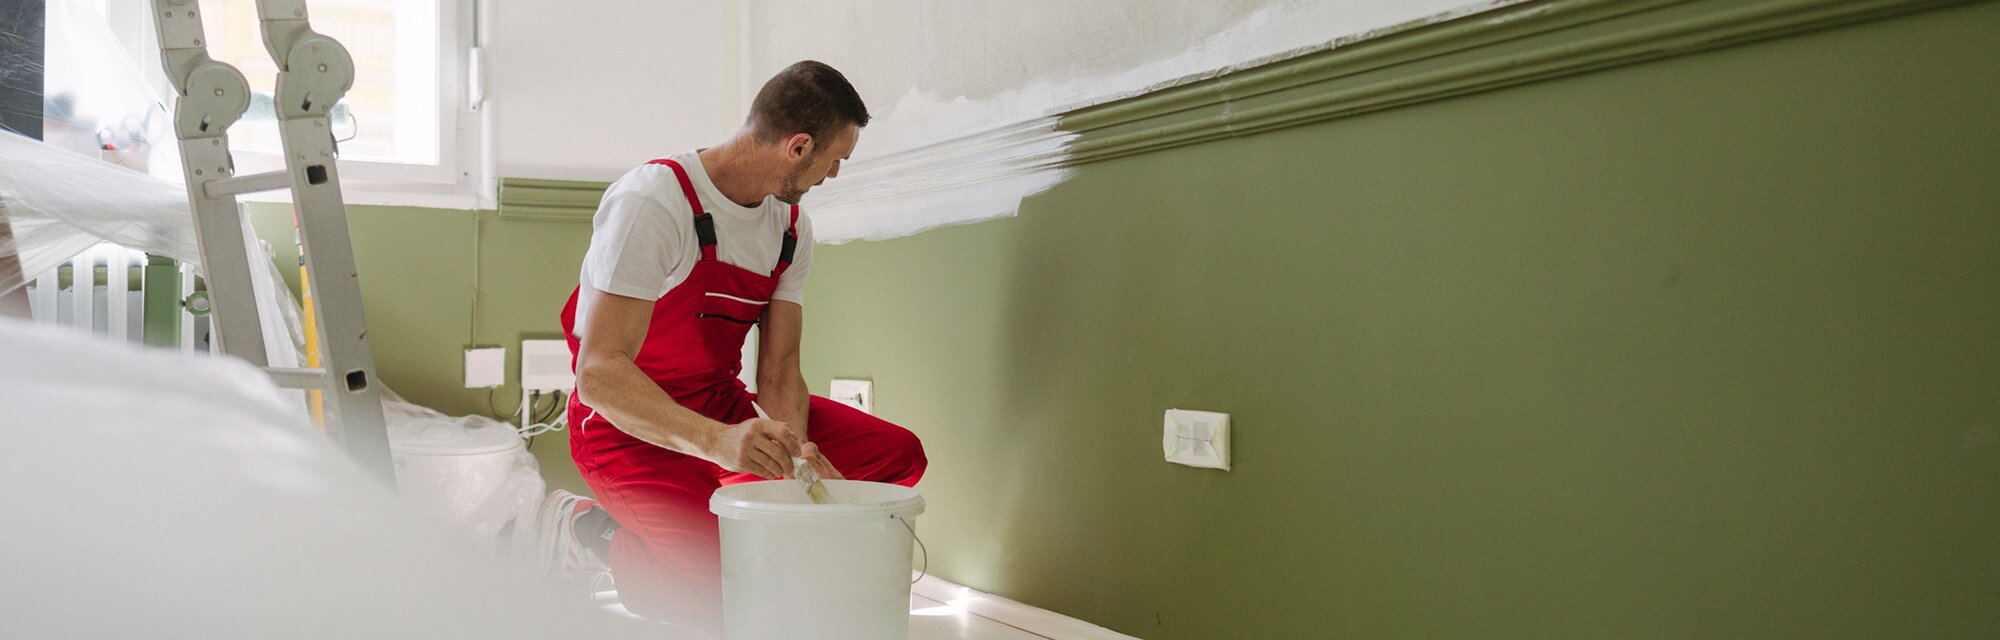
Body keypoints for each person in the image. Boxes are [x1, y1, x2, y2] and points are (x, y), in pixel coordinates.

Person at [549, 61, 927, 632]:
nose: (835, 174)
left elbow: (779, 369)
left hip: (721, 408)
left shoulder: (790, 228)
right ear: (799, 147)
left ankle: (758, 538)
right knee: (737, 596)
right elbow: (599, 375)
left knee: (897, 456)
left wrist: (794, 459)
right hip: (626, 430)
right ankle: (592, 533)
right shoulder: (654, 202)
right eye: (836, 159)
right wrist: (718, 442)